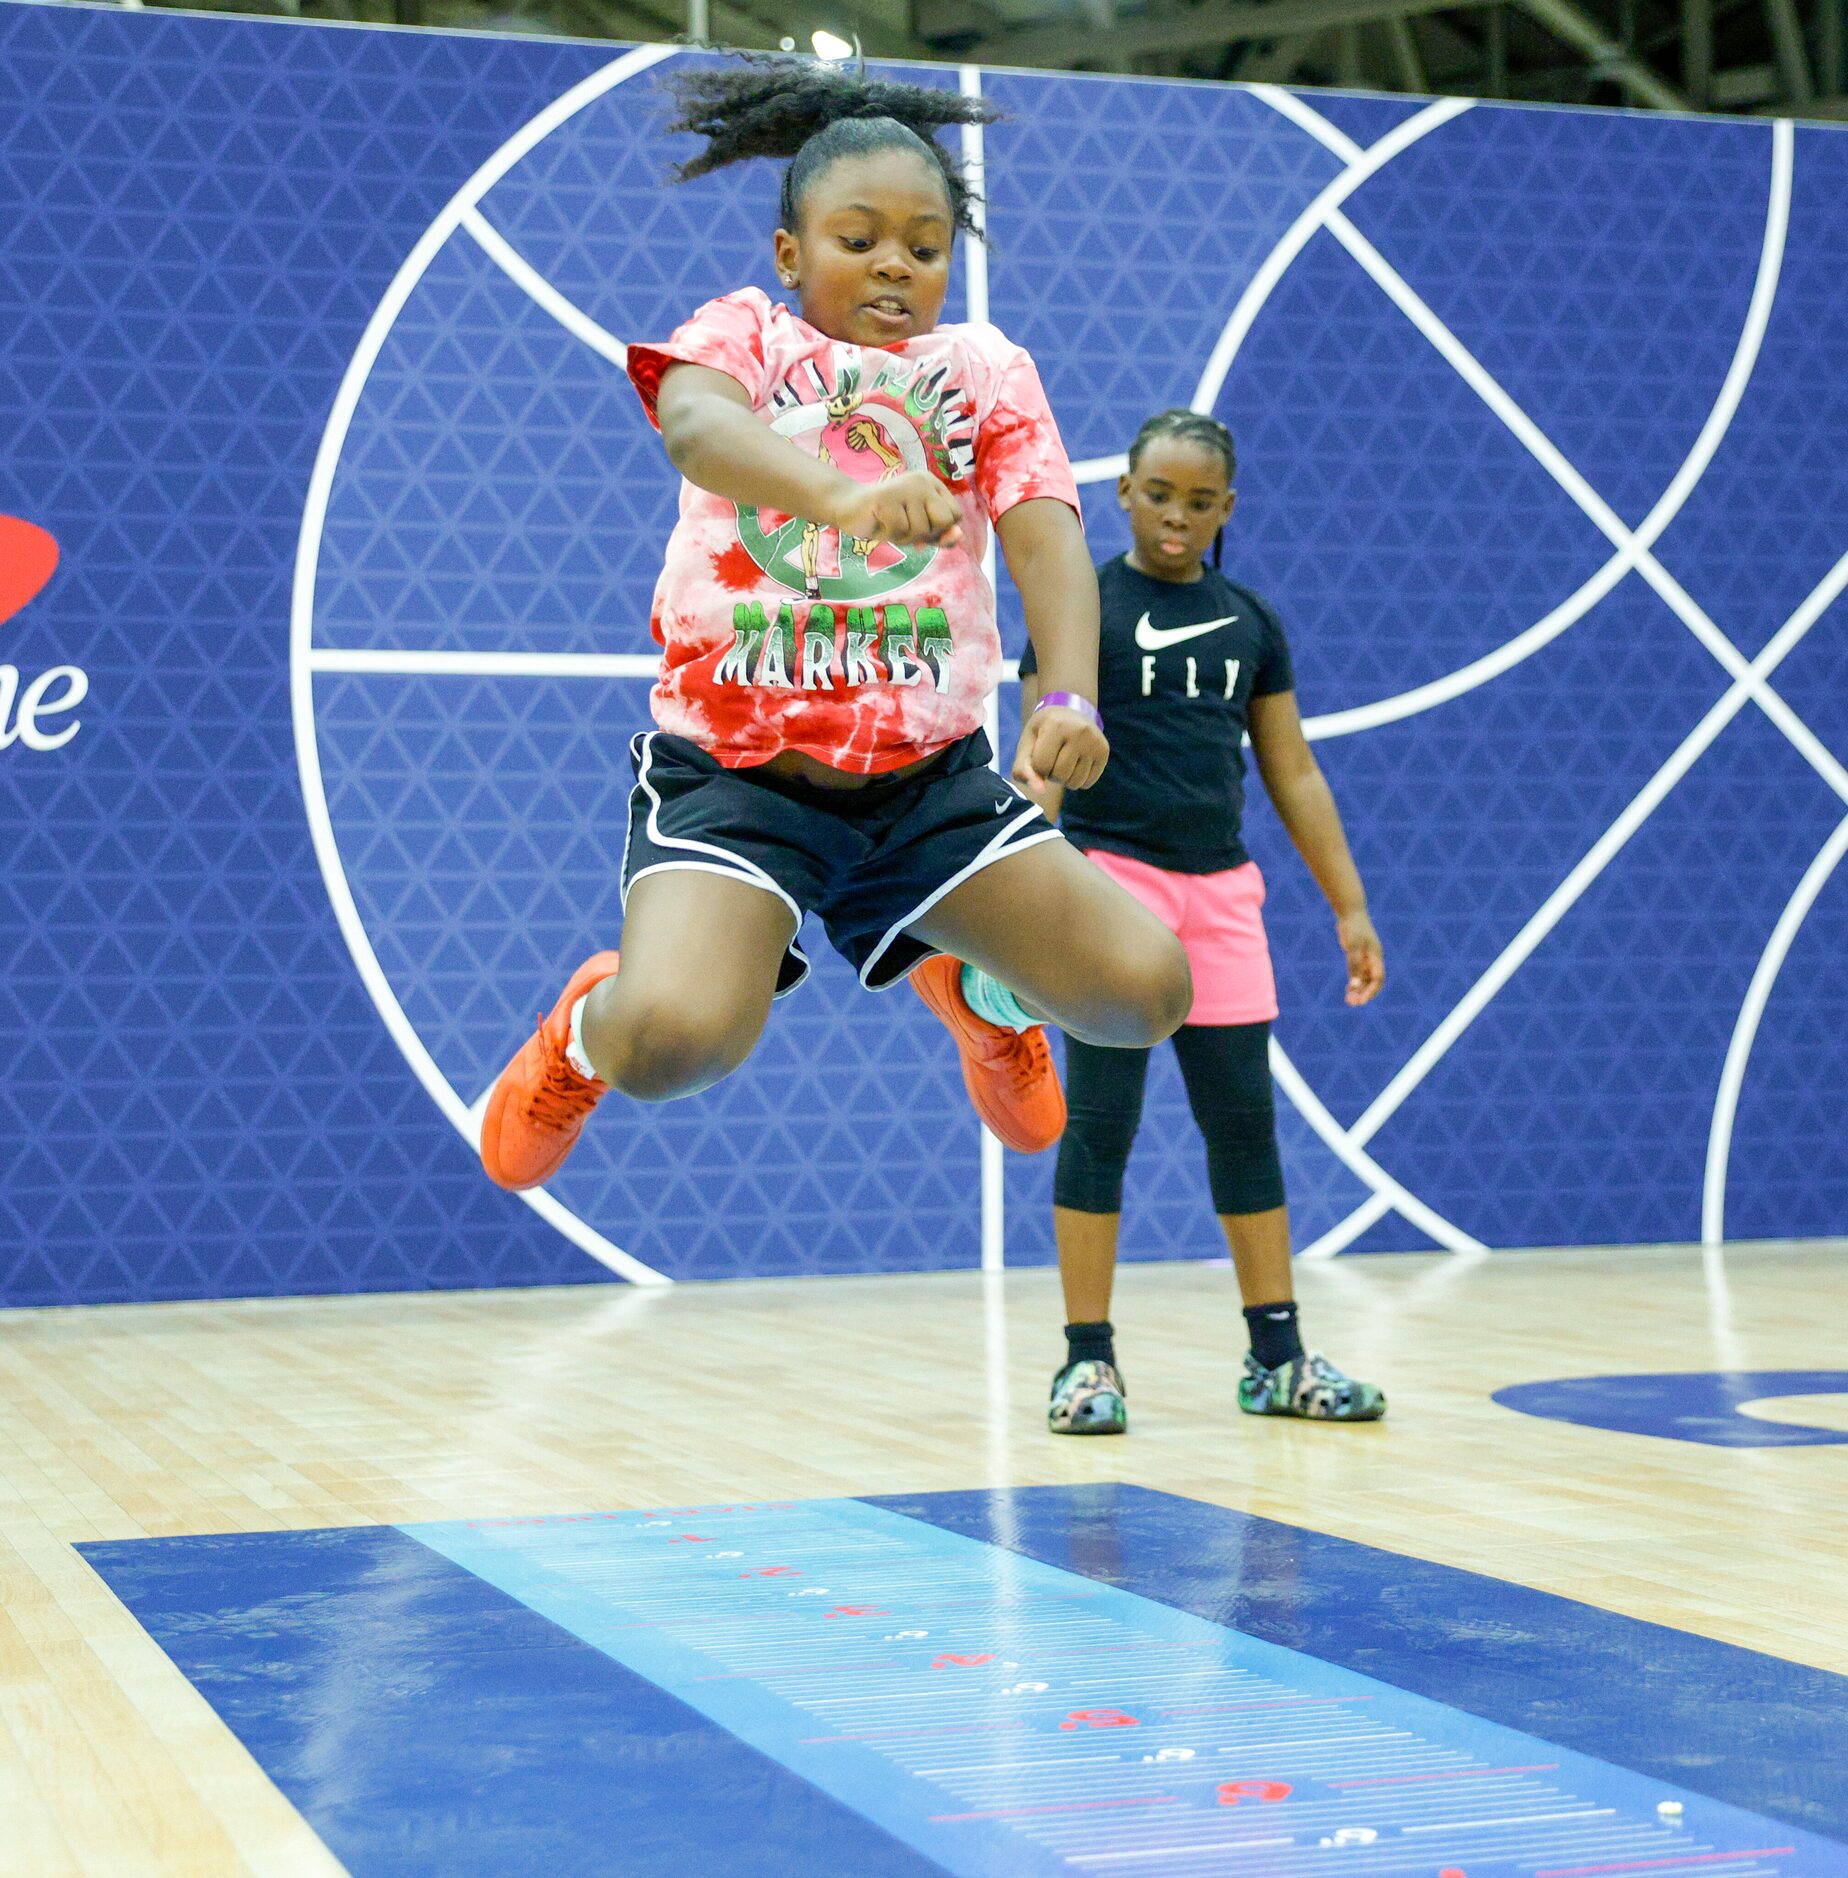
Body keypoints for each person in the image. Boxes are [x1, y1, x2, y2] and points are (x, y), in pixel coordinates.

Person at [477, 58, 1192, 1201]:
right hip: (737, 784)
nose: (895, 263)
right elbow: (694, 425)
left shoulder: (984, 369)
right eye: (858, 238)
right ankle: (580, 1034)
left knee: (1146, 992)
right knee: (674, 1043)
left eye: (925, 243)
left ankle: (980, 997)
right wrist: (841, 495)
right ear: (788, 254)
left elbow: (1047, 533)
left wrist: (1066, 694)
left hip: (929, 789)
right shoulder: (748, 337)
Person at [1003, 408, 1388, 1432]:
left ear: (1228, 509)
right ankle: (1087, 1365)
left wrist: (1347, 906)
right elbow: (1037, 757)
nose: (1178, 517)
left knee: (1244, 1131)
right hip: (1108, 888)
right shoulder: (1077, 608)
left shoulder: (1251, 622)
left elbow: (1292, 770)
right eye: (1159, 495)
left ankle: (1277, 1357)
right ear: (1123, 494)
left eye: (1201, 502)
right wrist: (1030, 888)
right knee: (1101, 1127)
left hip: (1221, 898)